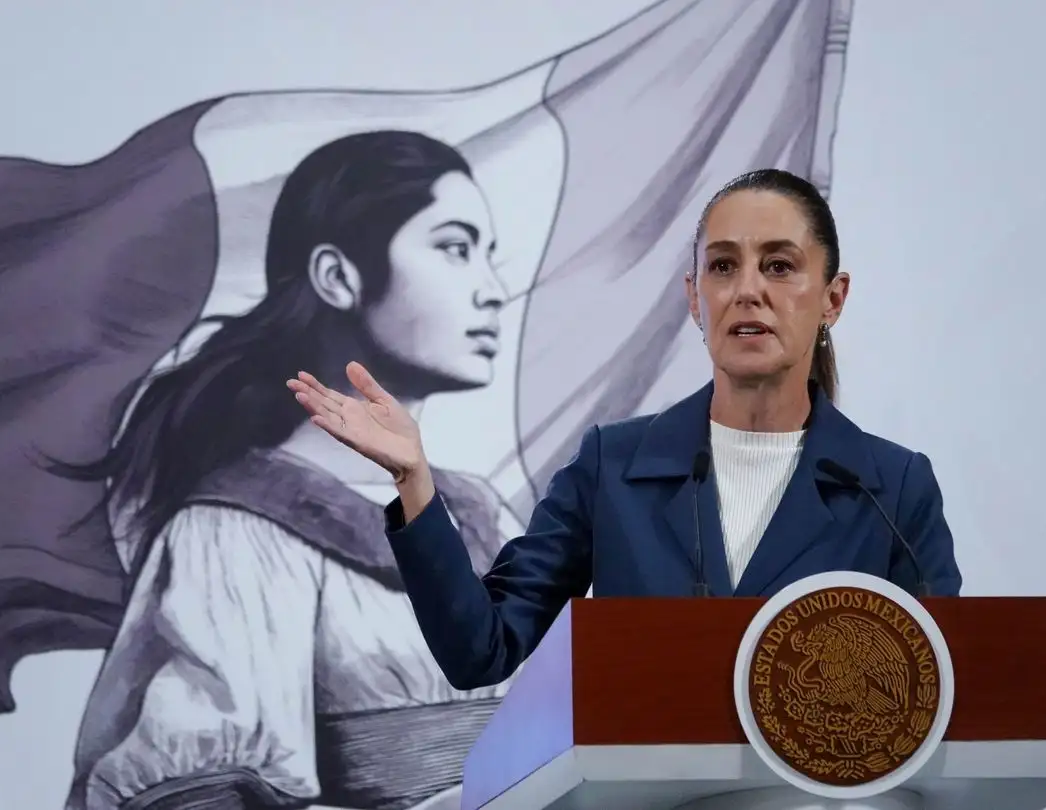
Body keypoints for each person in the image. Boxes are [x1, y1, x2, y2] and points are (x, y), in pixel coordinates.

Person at [289, 168, 963, 694]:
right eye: (723, 266)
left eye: (780, 265)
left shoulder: (892, 488)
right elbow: (481, 651)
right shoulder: (615, 466)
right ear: (694, 299)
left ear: (832, 299)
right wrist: (415, 482)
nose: (748, 290)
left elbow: (941, 695)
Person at [63, 131, 518, 810]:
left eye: (491, 257)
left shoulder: (485, 514)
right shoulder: (234, 534)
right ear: (338, 277)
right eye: (455, 249)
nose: (494, 290)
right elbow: (204, 794)